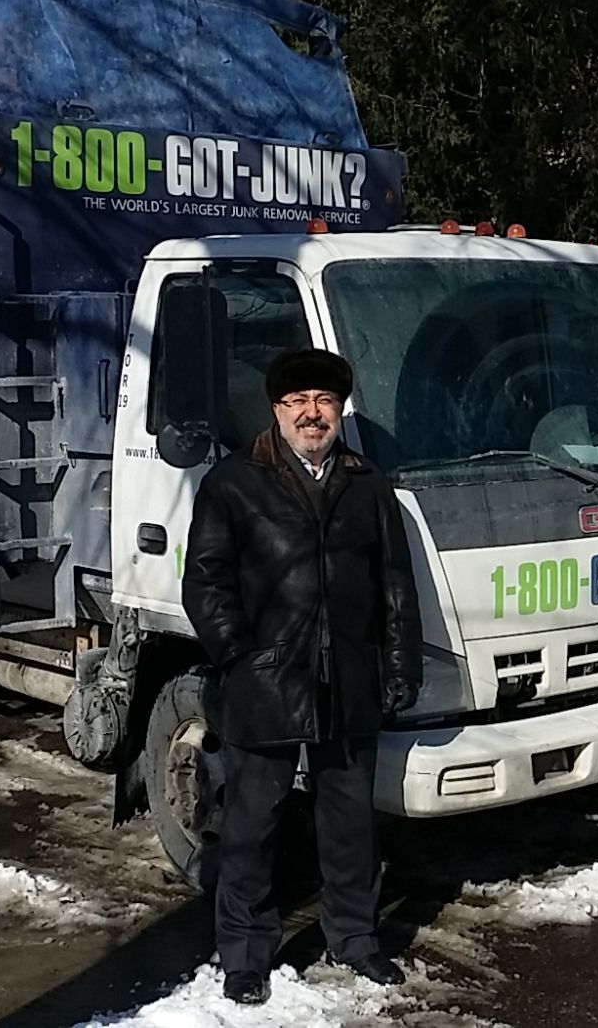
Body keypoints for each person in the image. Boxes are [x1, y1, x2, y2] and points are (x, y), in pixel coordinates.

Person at [182, 347, 423, 1005]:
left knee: (349, 824)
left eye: (324, 401)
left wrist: (399, 664)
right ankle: (245, 953)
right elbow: (205, 583)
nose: (312, 413)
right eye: (298, 402)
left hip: (348, 678)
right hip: (265, 681)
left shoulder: (366, 483)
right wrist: (240, 656)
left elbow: (394, 584)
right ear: (277, 410)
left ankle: (355, 937)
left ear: (339, 410)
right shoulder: (235, 482)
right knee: (252, 826)